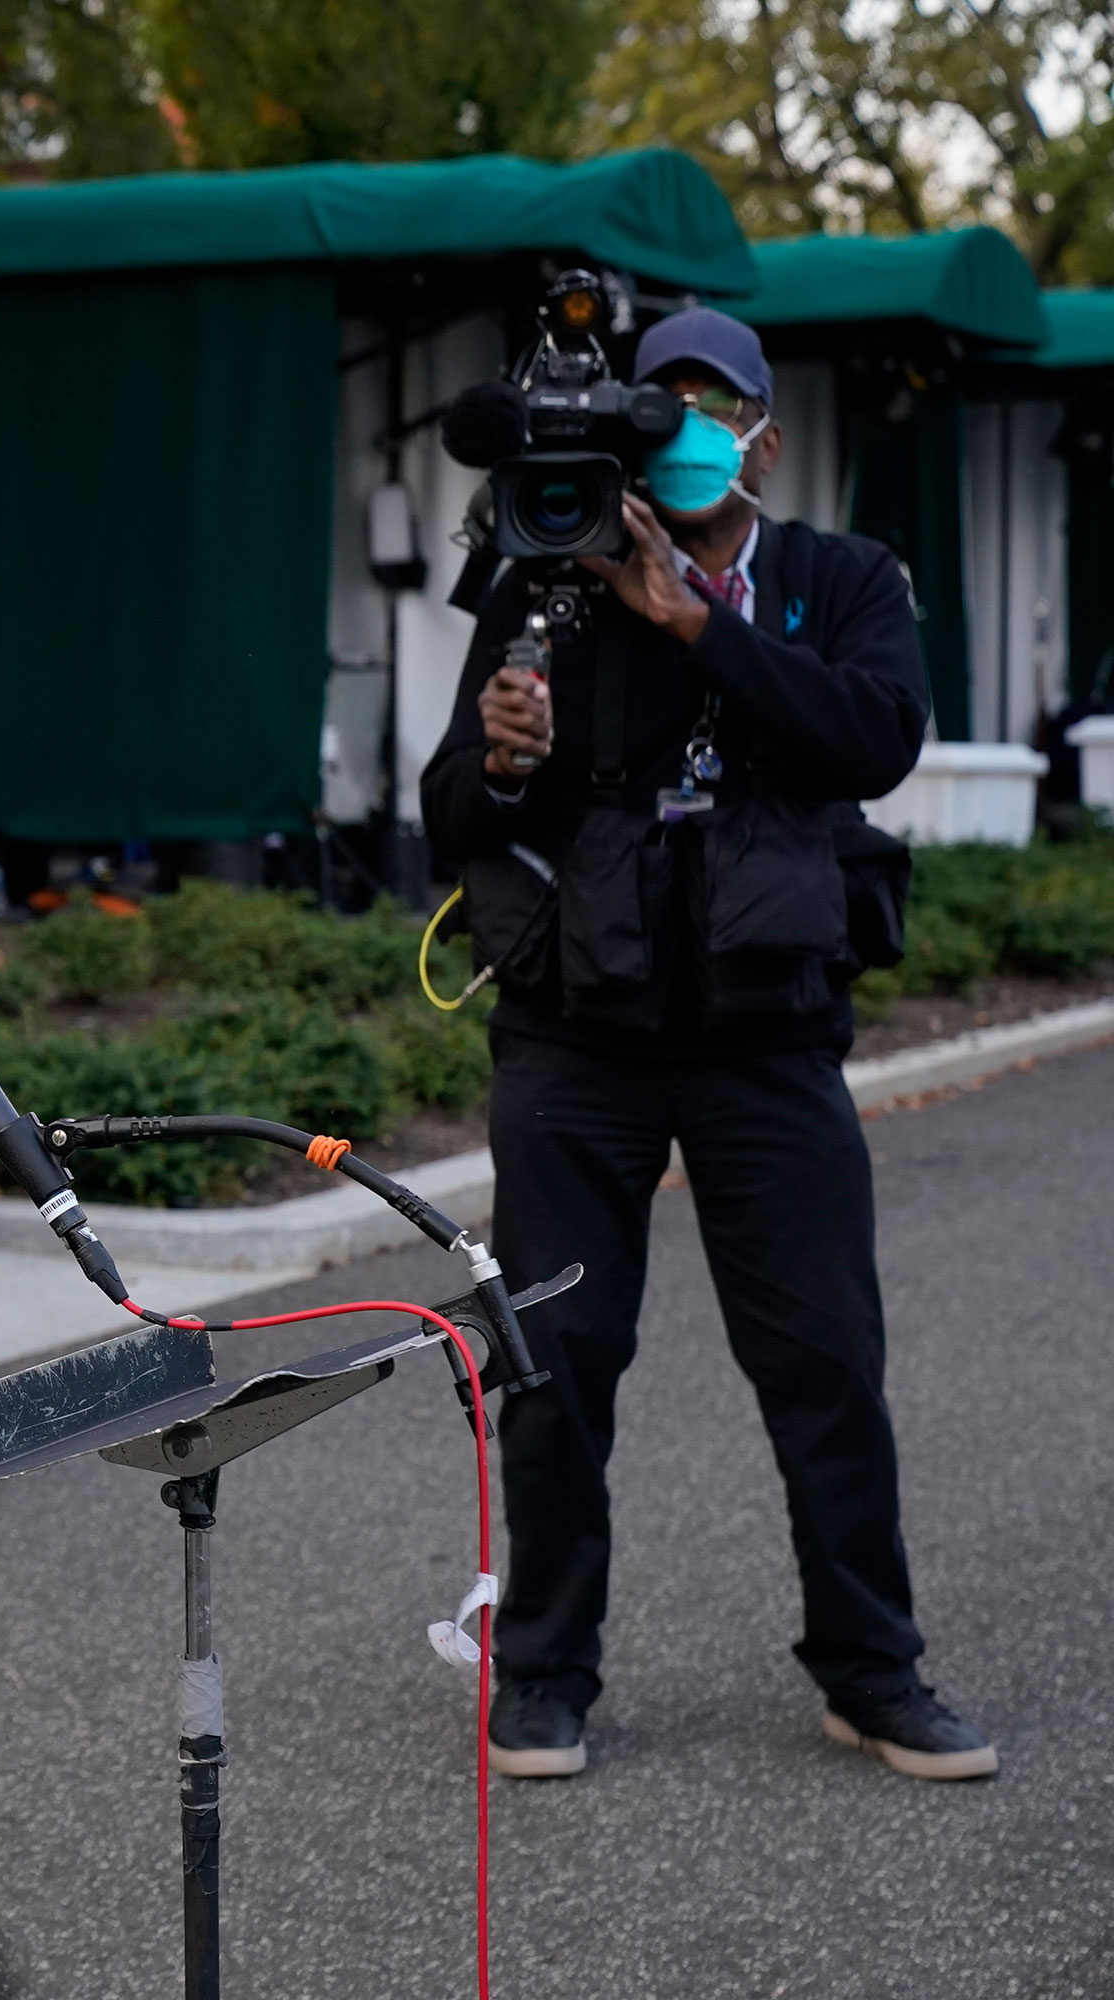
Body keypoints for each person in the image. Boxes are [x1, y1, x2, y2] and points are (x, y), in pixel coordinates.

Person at [422, 307, 995, 1784]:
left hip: (769, 1044)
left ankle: (873, 1674)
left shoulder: (838, 579)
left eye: (708, 405)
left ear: (762, 434)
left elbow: (876, 738)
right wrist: (499, 761)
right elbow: (439, 818)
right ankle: (543, 1674)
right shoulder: (548, 584)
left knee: (826, 1368)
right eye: (654, 404)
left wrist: (704, 627)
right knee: (556, 1364)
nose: (680, 426)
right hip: (575, 1043)